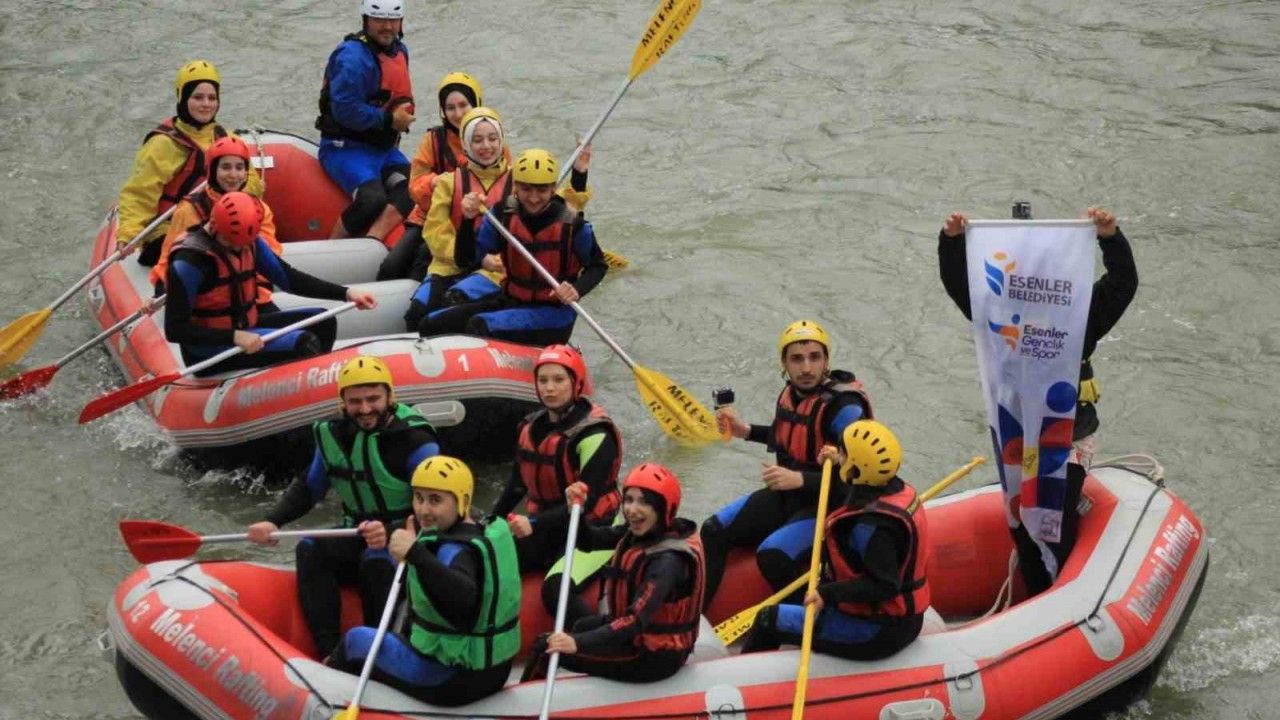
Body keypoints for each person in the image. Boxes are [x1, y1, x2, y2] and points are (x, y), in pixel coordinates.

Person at [937, 207, 1138, 596]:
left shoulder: (1080, 310)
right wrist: (951, 242)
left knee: (1053, 519)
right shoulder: (996, 309)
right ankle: (1038, 593)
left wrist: (1110, 238)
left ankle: (1063, 596)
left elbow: (1123, 283)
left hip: (1066, 438)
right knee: (1021, 522)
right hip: (1017, 432)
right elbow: (960, 284)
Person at [247, 356, 439, 659]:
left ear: (390, 396)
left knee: (376, 561)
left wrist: (391, 530)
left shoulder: (416, 440)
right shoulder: (333, 434)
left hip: (411, 540)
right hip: (359, 533)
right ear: (343, 402)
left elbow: (440, 509)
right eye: (355, 401)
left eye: (373, 399)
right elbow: (310, 487)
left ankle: (378, 654)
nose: (365, 409)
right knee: (309, 548)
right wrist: (272, 521)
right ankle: (328, 651)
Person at [699, 320, 874, 608]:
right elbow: (792, 437)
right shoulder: (791, 394)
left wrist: (801, 480)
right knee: (713, 529)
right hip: (790, 497)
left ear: (826, 361)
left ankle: (806, 618)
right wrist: (746, 431)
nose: (806, 368)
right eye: (797, 359)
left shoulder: (844, 408)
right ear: (784, 364)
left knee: (773, 555)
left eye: (814, 357)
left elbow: (863, 476)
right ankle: (696, 618)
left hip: (832, 507)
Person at [328, 456, 521, 706]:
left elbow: (464, 601)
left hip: (452, 679)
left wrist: (415, 553)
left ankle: (322, 691)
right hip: (494, 671)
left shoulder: (456, 550)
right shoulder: (484, 532)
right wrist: (387, 534)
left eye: (435, 500)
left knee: (356, 640)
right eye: (419, 498)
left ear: (462, 501)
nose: (423, 510)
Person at [741, 420, 930, 661]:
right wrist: (838, 459)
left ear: (856, 466)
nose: (840, 456)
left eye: (844, 454)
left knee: (768, 618)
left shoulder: (870, 527)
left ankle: (750, 678)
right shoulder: (888, 486)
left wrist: (827, 594)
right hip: (900, 619)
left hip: (876, 631)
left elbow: (885, 585)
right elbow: (853, 481)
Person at [526, 463, 705, 683]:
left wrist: (577, 643)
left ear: (664, 509)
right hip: (636, 636)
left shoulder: (667, 562)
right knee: (581, 626)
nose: (632, 509)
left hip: (653, 656)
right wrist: (577, 511)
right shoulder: (641, 532)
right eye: (628, 500)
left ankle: (528, 699)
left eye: (644, 502)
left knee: (545, 648)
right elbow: (589, 541)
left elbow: (634, 620)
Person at [163, 191, 377, 375]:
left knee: (324, 322)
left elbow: (289, 279)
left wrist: (346, 293)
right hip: (208, 350)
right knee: (304, 343)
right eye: (231, 242)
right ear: (215, 227)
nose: (238, 248)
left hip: (247, 327)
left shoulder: (249, 241)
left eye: (244, 243)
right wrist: (234, 337)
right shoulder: (190, 261)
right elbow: (175, 329)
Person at [417, 148, 605, 346]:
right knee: (429, 324)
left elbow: (598, 266)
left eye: (541, 190)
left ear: (553, 189)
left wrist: (576, 289)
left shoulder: (574, 226)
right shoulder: (502, 215)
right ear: (516, 186)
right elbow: (465, 260)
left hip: (554, 313)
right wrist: (468, 221)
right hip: (510, 300)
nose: (533, 198)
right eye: (526, 189)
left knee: (479, 325)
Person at [488, 344, 622, 618]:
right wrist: (491, 521)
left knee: (555, 590)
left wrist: (534, 523)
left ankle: (592, 638)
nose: (549, 388)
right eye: (543, 380)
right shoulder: (529, 427)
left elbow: (587, 504)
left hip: (593, 530)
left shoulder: (596, 434)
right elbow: (517, 484)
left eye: (559, 380)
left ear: (576, 383)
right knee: (489, 565)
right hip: (547, 527)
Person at [115, 59, 263, 266]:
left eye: (212, 98)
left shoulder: (227, 138)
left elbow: (253, 183)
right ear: (183, 98)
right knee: (206, 256)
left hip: (219, 223)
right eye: (198, 97)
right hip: (169, 228)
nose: (206, 104)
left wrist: (230, 189)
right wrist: (129, 233)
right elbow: (139, 194)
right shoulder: (163, 144)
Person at [377, 72, 498, 282]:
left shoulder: (493, 141)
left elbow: (503, 182)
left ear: (476, 103)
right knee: (392, 265)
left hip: (469, 222)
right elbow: (415, 185)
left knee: (423, 258)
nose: (458, 114)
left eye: (463, 105)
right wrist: (435, 182)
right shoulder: (433, 139)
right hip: (429, 216)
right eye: (450, 108)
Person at [315, 0, 416, 241]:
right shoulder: (352, 57)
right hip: (344, 149)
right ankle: (332, 247)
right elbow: (344, 110)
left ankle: (373, 241)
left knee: (415, 187)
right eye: (380, 20)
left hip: (383, 151)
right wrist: (390, 120)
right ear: (366, 20)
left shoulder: (400, 51)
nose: (387, 27)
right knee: (372, 199)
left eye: (393, 20)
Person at [149, 136, 283, 312]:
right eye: (225, 167)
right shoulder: (190, 210)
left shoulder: (260, 209)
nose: (233, 175)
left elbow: (270, 253)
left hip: (251, 298)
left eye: (239, 168)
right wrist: (161, 291)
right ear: (213, 170)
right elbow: (170, 258)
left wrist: (256, 289)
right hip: (207, 300)